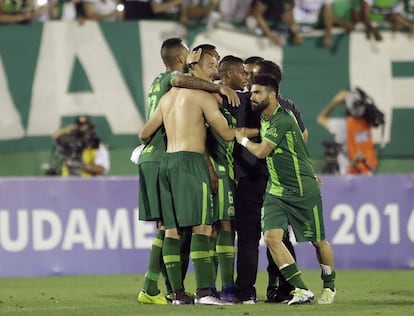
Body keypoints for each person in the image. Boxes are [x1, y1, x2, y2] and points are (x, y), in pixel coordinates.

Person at [139, 48, 255, 305]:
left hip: (165, 163)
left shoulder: (167, 97)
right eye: (212, 65)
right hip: (191, 162)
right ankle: (205, 292)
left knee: (172, 230)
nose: (215, 70)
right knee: (202, 226)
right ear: (196, 66)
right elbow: (225, 134)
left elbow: (144, 132)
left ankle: (177, 295)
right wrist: (256, 131)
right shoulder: (203, 97)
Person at [235, 74, 337, 305]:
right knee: (271, 237)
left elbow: (262, 152)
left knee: (318, 241)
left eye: (257, 92)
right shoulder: (265, 117)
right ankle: (301, 288)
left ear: (272, 94)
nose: (252, 96)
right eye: (251, 92)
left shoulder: (282, 118)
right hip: (277, 191)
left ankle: (329, 286)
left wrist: (241, 139)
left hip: (302, 189)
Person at [223, 56, 308, 304]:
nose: (248, 79)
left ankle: (246, 292)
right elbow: (302, 138)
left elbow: (233, 133)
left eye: (252, 74)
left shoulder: (244, 101)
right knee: (279, 237)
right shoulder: (288, 107)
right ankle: (284, 289)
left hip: (252, 176)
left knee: (252, 238)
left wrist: (250, 133)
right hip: (276, 179)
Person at [317, 87, 384, 175]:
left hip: (348, 175)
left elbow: (321, 118)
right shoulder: (367, 123)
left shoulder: (344, 125)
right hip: (368, 174)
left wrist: (335, 101)